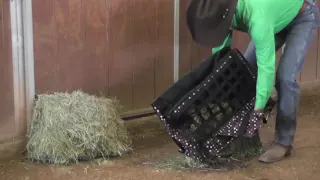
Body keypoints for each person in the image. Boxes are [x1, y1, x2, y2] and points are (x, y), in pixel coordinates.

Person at [186, 0, 320, 163]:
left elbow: (266, 67)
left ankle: (283, 143)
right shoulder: (221, 10)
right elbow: (221, 54)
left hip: (302, 17)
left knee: (285, 78)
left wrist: (258, 110)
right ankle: (238, 131)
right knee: (245, 69)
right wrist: (217, 81)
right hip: (274, 18)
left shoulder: (258, 19)